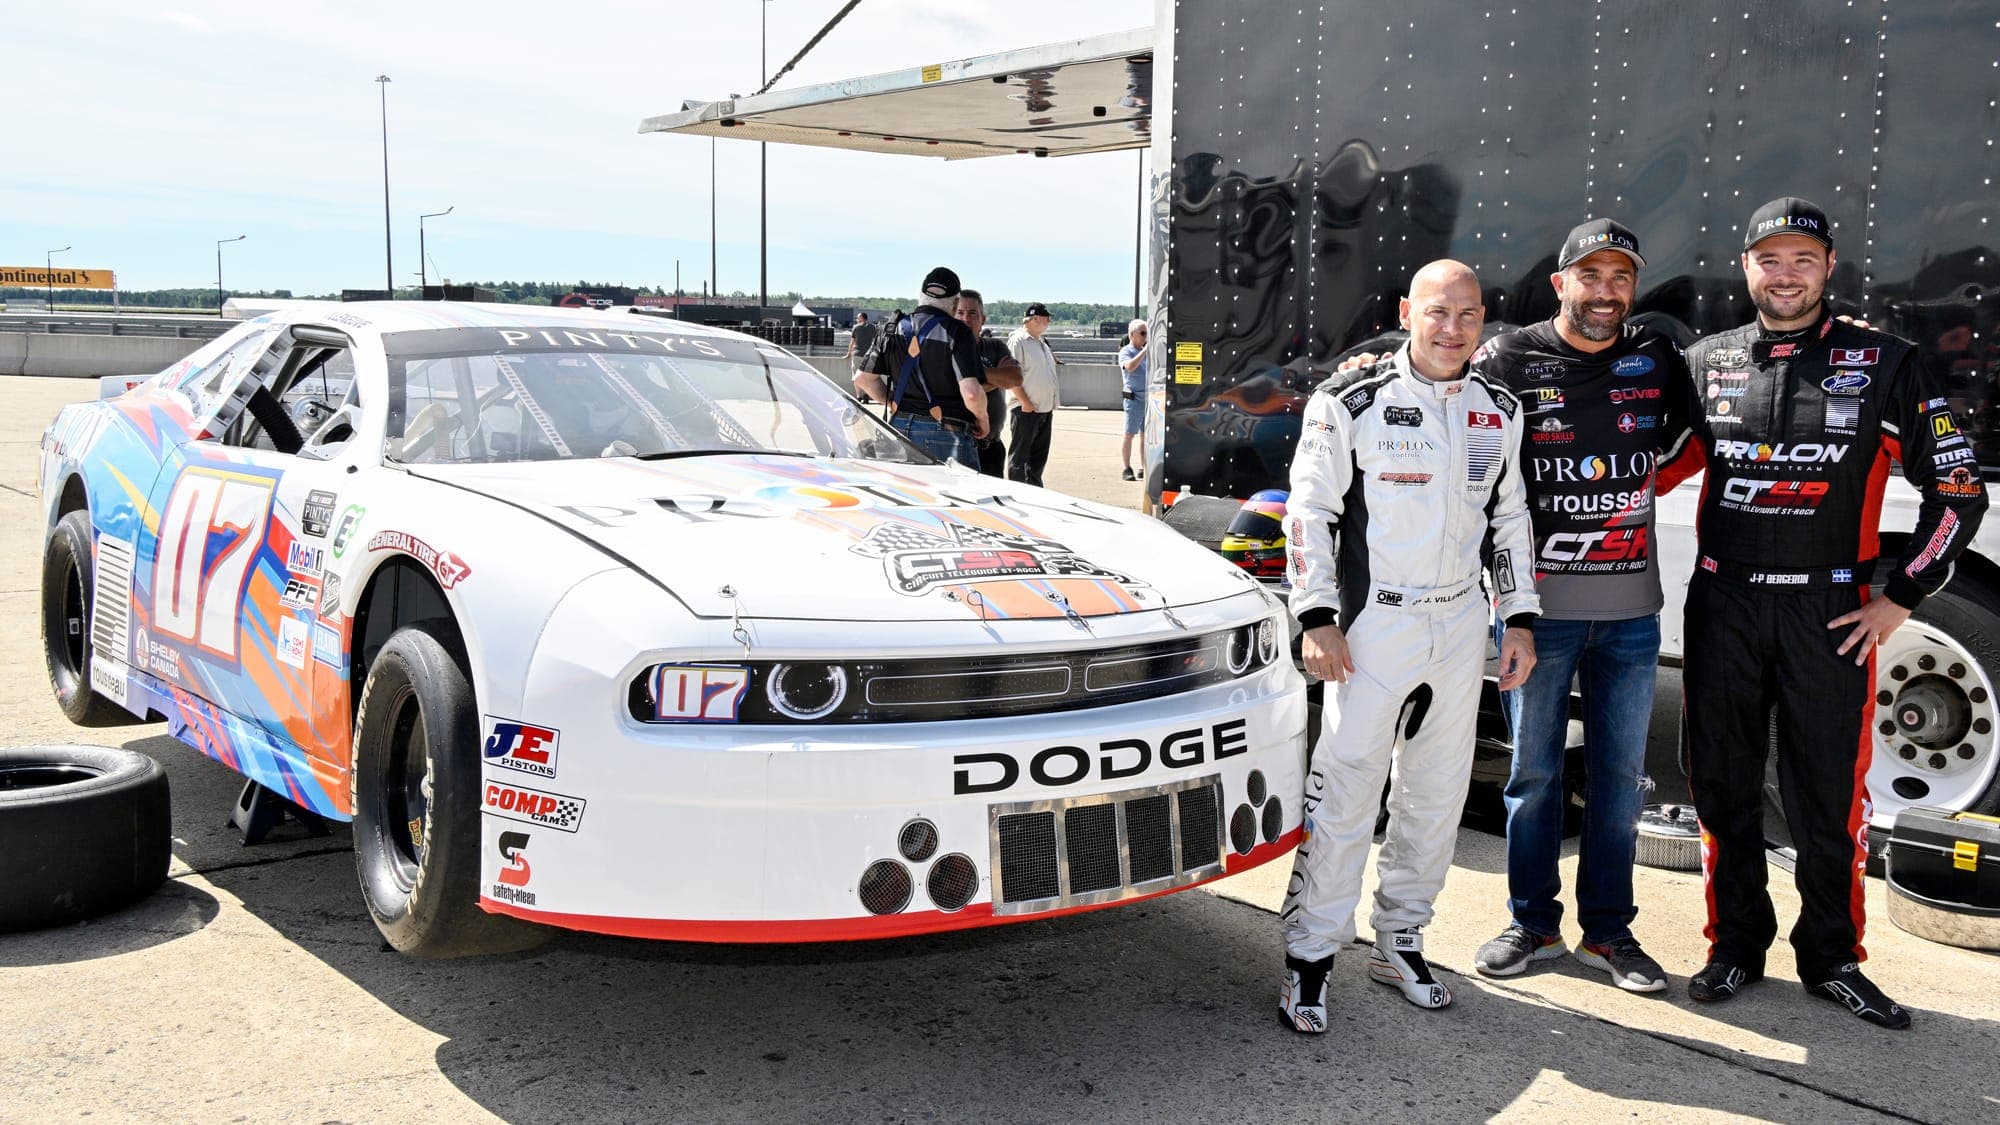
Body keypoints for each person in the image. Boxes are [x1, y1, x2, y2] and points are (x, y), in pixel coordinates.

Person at [1662, 197, 1987, 1030]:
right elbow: (1644, 469)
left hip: (1829, 612)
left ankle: (1833, 957)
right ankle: (1735, 946)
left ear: (1829, 266)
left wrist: (1902, 595)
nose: (1786, 275)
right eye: (1770, 259)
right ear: (1747, 267)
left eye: (1802, 259)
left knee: (1826, 797)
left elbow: (1958, 492)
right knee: (1722, 786)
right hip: (1724, 604)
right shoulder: (1706, 362)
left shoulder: (1884, 363)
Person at [1279, 260, 1540, 1030]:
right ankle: (1309, 954)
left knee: (1436, 795)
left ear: (1483, 318)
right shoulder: (1349, 400)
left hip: (1460, 626)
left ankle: (1400, 938)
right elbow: (1309, 512)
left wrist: (1519, 616)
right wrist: (1316, 617)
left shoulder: (1498, 408)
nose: (1452, 329)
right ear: (1406, 312)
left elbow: (1509, 518)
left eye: (1467, 314)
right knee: (1346, 791)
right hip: (1373, 627)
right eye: (1436, 312)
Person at [1463, 219, 1696, 993]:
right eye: (1589, 276)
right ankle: (1532, 924)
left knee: (1621, 782)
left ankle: (1608, 933)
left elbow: (1723, 404)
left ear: (1634, 286)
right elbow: (1468, 454)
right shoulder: (1507, 357)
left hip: (1631, 616)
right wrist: (1509, 607)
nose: (1605, 291)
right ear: (1561, 282)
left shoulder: (1656, 356)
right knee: (1532, 776)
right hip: (1539, 615)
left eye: (1620, 277)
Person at [854, 268, 988, 469]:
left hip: (898, 429)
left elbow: (862, 379)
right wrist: (983, 419)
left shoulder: (891, 328)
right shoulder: (957, 332)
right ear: (955, 303)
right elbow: (971, 394)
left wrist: (893, 403)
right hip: (946, 434)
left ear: (921, 296)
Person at [954, 288, 1021, 477]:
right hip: (955, 446)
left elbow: (1014, 377)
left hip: (990, 448)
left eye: (972, 313)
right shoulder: (943, 349)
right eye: (960, 313)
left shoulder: (994, 347)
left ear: (982, 319)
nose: (966, 319)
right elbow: (953, 388)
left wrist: (970, 376)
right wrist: (995, 380)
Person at [1006, 302, 1062, 486]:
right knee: (1020, 458)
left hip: (1044, 409)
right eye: (1047, 318)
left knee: (1038, 460)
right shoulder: (1018, 341)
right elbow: (1011, 376)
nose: (1049, 321)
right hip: (1026, 409)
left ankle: (1035, 491)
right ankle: (1017, 492)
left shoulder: (1041, 343)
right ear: (1035, 318)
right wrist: (1025, 402)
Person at [1117, 320, 1149, 480]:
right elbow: (1130, 367)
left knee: (1145, 435)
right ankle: (1126, 468)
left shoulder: (1145, 352)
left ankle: (1144, 467)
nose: (1145, 336)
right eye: (1142, 333)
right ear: (1132, 335)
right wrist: (1144, 352)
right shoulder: (1126, 351)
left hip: (1147, 399)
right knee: (1129, 434)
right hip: (1134, 399)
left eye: (1146, 333)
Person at [845, 312, 878, 397]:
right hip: (868, 356)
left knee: (856, 376)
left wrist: (848, 354)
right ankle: (866, 394)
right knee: (867, 377)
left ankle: (858, 396)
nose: (856, 319)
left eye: (858, 318)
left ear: (862, 318)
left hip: (857, 354)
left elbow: (852, 342)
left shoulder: (856, 327)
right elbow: (875, 342)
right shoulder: (873, 327)